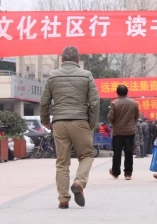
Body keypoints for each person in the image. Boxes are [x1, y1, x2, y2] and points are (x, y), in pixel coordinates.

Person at [40, 46, 100, 209]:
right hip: (81, 121)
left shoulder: (52, 77)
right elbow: (94, 103)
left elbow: (44, 101)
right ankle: (79, 182)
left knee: (62, 162)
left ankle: (63, 199)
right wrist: (91, 123)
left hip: (59, 122)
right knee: (87, 155)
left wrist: (45, 120)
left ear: (62, 60)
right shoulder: (87, 75)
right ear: (77, 60)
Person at [108, 85, 139, 180]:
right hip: (130, 132)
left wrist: (114, 124)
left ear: (117, 93)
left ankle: (115, 172)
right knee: (129, 152)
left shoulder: (114, 104)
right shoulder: (134, 103)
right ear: (127, 92)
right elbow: (136, 116)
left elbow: (110, 118)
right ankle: (128, 173)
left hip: (118, 132)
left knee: (117, 153)